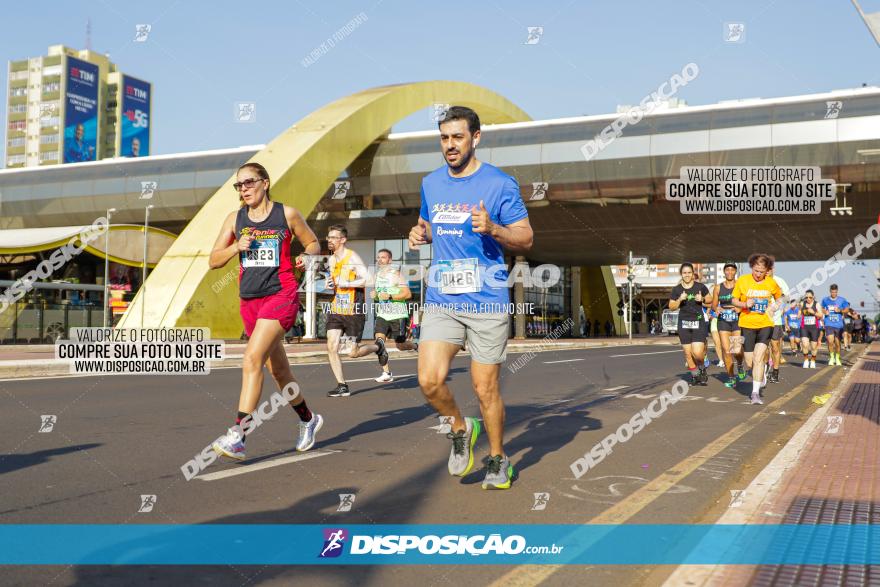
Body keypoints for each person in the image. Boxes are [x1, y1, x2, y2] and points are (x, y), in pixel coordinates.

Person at [408, 105, 533, 490]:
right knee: (429, 381)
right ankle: (461, 428)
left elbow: (526, 237)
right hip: (444, 297)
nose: (450, 145)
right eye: (444, 138)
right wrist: (420, 235)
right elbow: (430, 225)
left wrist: (494, 228)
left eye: (457, 137)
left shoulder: (499, 184)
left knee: (484, 389)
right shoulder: (431, 183)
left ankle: (498, 459)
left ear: (475, 137)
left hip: (486, 300)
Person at [208, 162, 323, 460]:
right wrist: (236, 247)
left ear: (265, 183)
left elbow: (312, 242)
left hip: (281, 294)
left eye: (249, 183)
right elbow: (213, 261)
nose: (243, 189)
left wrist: (306, 257)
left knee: (251, 358)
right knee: (280, 372)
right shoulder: (234, 220)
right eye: (239, 185)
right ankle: (309, 419)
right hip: (250, 300)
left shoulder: (286, 214)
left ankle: (238, 435)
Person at [324, 224, 388, 397]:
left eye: (333, 237)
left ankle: (378, 347)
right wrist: (330, 284)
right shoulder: (331, 260)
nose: (329, 240)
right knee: (331, 346)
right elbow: (335, 284)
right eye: (328, 237)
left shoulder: (352, 257)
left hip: (354, 309)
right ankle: (342, 385)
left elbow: (369, 279)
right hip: (337, 308)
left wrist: (347, 283)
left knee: (353, 352)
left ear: (342, 240)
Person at [730, 253, 783, 405]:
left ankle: (755, 393)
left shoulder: (771, 282)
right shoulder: (742, 280)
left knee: (758, 358)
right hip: (746, 324)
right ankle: (761, 375)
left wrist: (774, 307)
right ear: (752, 267)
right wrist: (745, 304)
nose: (758, 274)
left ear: (767, 270)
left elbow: (780, 297)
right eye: (756, 270)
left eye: (762, 271)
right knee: (749, 361)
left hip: (766, 324)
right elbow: (734, 299)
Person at [370, 248, 412, 382]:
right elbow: (380, 296)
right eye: (378, 257)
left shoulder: (396, 275)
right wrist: (375, 296)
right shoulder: (377, 276)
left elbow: (408, 294)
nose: (380, 260)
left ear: (390, 260)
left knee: (401, 345)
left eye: (383, 257)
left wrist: (390, 295)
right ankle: (386, 373)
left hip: (397, 314)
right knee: (379, 342)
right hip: (383, 314)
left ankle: (417, 346)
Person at [669, 263, 712, 386]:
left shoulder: (700, 287)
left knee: (697, 353)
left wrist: (702, 299)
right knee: (688, 354)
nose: (687, 275)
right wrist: (680, 299)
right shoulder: (677, 290)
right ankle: (695, 376)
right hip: (684, 323)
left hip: (698, 322)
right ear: (681, 274)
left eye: (689, 272)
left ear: (692, 274)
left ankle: (702, 367)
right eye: (684, 273)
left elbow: (710, 300)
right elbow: (671, 306)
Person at [712, 262, 745, 388]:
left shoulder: (740, 285)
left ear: (735, 272)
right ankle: (731, 377)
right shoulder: (718, 287)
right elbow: (714, 305)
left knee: (736, 350)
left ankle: (740, 365)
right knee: (726, 350)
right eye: (727, 270)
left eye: (732, 270)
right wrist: (717, 309)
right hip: (723, 321)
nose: (730, 272)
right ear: (724, 272)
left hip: (737, 320)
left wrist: (739, 308)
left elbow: (745, 302)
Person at [766, 268, 790, 383]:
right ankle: (765, 369)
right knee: (763, 347)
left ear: (773, 269)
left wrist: (780, 297)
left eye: (769, 269)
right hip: (762, 320)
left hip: (775, 320)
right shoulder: (759, 281)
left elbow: (787, 298)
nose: (767, 271)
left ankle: (775, 372)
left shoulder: (779, 281)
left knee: (775, 346)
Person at [820, 284, 850, 366]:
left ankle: (837, 357)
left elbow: (847, 310)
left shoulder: (842, 300)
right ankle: (832, 357)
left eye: (835, 292)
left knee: (837, 343)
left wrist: (840, 310)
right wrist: (824, 311)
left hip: (838, 325)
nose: (834, 294)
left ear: (837, 291)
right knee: (830, 341)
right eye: (832, 292)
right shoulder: (825, 300)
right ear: (830, 291)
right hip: (829, 323)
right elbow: (821, 308)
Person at [799, 290, 823, 368]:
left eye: (810, 297)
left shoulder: (817, 304)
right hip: (804, 327)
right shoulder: (802, 303)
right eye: (806, 297)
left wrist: (813, 312)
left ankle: (812, 360)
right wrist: (798, 315)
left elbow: (821, 315)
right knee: (805, 344)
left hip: (814, 328)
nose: (808, 299)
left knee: (813, 346)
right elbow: (799, 312)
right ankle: (806, 360)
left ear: (813, 297)